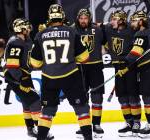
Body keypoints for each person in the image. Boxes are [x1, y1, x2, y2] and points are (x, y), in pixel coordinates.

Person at [30, 4, 93, 140]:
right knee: (81, 109)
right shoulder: (71, 32)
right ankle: (88, 138)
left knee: (47, 111)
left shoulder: (40, 34)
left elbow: (35, 63)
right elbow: (85, 58)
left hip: (49, 77)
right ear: (62, 16)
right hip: (70, 76)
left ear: (49, 17)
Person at [118, 11, 150, 138]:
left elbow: (135, 53)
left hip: (149, 67)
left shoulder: (141, 33)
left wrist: (125, 65)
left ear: (141, 21)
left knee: (148, 96)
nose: (132, 24)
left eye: (134, 21)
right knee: (147, 96)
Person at [100, 10, 141, 137]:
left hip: (130, 66)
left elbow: (145, 36)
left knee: (132, 95)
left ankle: (136, 123)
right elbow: (97, 25)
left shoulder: (132, 30)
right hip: (117, 67)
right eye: (111, 19)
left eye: (114, 19)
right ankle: (128, 122)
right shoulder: (109, 29)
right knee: (122, 96)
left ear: (122, 20)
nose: (111, 21)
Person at [4, 18, 41, 138]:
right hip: (15, 76)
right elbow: (12, 66)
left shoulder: (25, 40)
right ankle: (41, 131)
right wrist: (21, 79)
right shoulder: (15, 42)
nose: (29, 29)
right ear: (21, 29)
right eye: (27, 27)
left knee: (27, 103)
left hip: (24, 74)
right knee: (35, 101)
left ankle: (30, 129)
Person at [73, 8, 105, 138]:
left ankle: (96, 124)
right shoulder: (72, 30)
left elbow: (107, 41)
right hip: (79, 68)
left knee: (97, 96)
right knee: (82, 98)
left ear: (89, 19)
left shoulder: (97, 30)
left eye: (85, 18)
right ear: (77, 19)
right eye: (81, 18)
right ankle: (84, 125)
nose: (83, 21)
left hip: (96, 67)